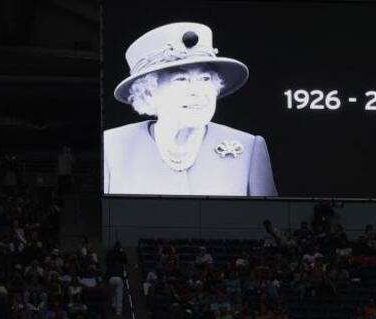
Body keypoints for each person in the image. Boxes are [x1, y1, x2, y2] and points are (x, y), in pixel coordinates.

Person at [102, 23, 276, 196]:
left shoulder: (249, 148)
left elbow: (270, 221)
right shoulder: (111, 146)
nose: (197, 91)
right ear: (148, 93)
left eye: (205, 78)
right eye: (181, 79)